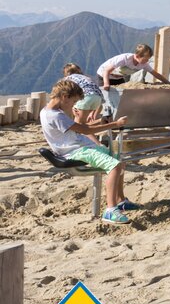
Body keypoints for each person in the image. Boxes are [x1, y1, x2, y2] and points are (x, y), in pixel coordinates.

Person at [40, 79, 137, 224]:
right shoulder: (56, 116)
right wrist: (115, 124)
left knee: (119, 161)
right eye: (73, 102)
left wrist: (100, 122)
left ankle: (120, 200)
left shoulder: (49, 111)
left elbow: (78, 127)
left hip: (80, 147)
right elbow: (85, 130)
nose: (73, 106)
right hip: (76, 151)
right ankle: (110, 210)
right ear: (65, 97)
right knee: (115, 166)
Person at [96, 44, 170, 119]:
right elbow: (106, 71)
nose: (146, 61)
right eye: (145, 59)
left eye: (148, 59)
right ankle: (96, 117)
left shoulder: (144, 64)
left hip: (118, 78)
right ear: (137, 56)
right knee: (104, 99)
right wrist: (106, 84)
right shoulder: (124, 59)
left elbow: (155, 74)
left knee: (122, 99)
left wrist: (168, 83)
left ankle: (118, 120)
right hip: (103, 75)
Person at [62, 63, 104, 127]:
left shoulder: (67, 79)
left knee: (79, 126)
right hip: (98, 99)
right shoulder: (86, 78)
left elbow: (65, 95)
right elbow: (96, 94)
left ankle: (100, 122)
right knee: (84, 123)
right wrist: (93, 112)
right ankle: (99, 122)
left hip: (85, 98)